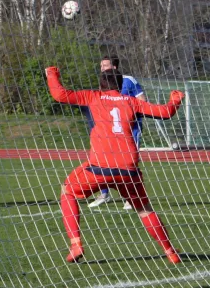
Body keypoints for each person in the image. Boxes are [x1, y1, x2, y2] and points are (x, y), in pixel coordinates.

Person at [46, 66, 183, 264]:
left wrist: (52, 74)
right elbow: (165, 112)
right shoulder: (131, 101)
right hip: (128, 167)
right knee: (144, 208)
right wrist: (175, 100)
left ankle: (76, 244)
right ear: (121, 85)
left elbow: (60, 95)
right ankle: (170, 251)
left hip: (100, 166)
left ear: (101, 85)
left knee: (67, 191)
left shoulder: (93, 97)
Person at [87, 55, 147, 209]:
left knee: (128, 162)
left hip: (130, 129)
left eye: (105, 65)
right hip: (110, 130)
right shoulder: (105, 83)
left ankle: (130, 197)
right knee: (104, 160)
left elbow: (142, 101)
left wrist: (128, 115)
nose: (102, 69)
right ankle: (104, 194)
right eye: (100, 66)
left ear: (114, 67)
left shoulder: (129, 80)